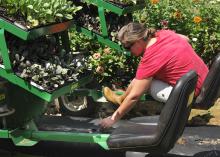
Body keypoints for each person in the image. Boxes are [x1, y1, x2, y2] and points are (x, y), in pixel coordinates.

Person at [100, 22, 209, 129]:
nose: (128, 52)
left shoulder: (150, 58)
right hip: (206, 83)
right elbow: (186, 39)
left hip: (191, 94)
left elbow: (135, 97)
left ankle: (123, 100)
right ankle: (122, 99)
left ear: (138, 41)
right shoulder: (164, 34)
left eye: (127, 47)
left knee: (147, 84)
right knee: (142, 78)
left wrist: (113, 119)